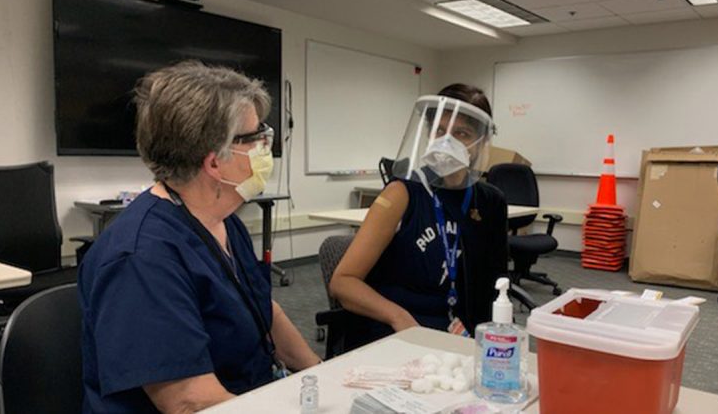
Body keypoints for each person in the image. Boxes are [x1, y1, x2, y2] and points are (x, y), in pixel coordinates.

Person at [78, 61, 321, 413]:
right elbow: (189, 402)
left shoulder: (222, 221)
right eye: (255, 138)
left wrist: (320, 374)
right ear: (214, 162)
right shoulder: (141, 257)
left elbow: (263, 310)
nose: (265, 147)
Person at [329, 83, 508, 348]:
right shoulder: (401, 193)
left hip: (459, 336)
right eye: (439, 130)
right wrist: (399, 318)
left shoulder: (490, 202)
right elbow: (343, 283)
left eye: (462, 133)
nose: (447, 141)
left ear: (480, 143)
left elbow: (493, 288)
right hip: (399, 332)